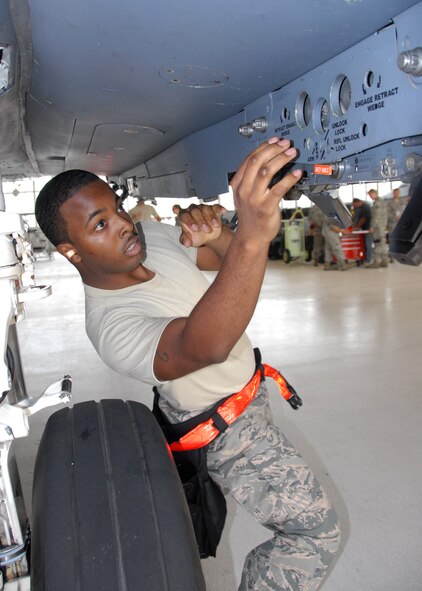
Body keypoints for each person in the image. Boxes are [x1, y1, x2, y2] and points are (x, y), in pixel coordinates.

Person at [34, 138, 340, 591]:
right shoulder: (111, 325)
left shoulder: (152, 238)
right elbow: (207, 344)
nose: (123, 225)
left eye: (116, 209)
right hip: (225, 431)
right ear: (71, 252)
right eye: (100, 224)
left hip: (250, 395)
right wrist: (255, 232)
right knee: (313, 535)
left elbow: (225, 259)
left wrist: (217, 232)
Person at [365, 189, 389, 268]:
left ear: (375, 193)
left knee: (377, 243)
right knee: (382, 243)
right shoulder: (381, 201)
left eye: (371, 194)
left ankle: (376, 262)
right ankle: (385, 261)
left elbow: (376, 216)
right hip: (382, 226)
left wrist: (372, 227)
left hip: (378, 227)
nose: (370, 196)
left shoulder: (377, 203)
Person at [352, 196, 373, 263]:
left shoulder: (365, 207)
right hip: (364, 229)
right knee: (365, 244)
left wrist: (357, 226)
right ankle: (365, 257)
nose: (355, 206)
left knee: (368, 243)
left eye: (355, 205)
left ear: (358, 202)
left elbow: (363, 219)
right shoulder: (360, 207)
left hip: (368, 228)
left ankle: (369, 259)